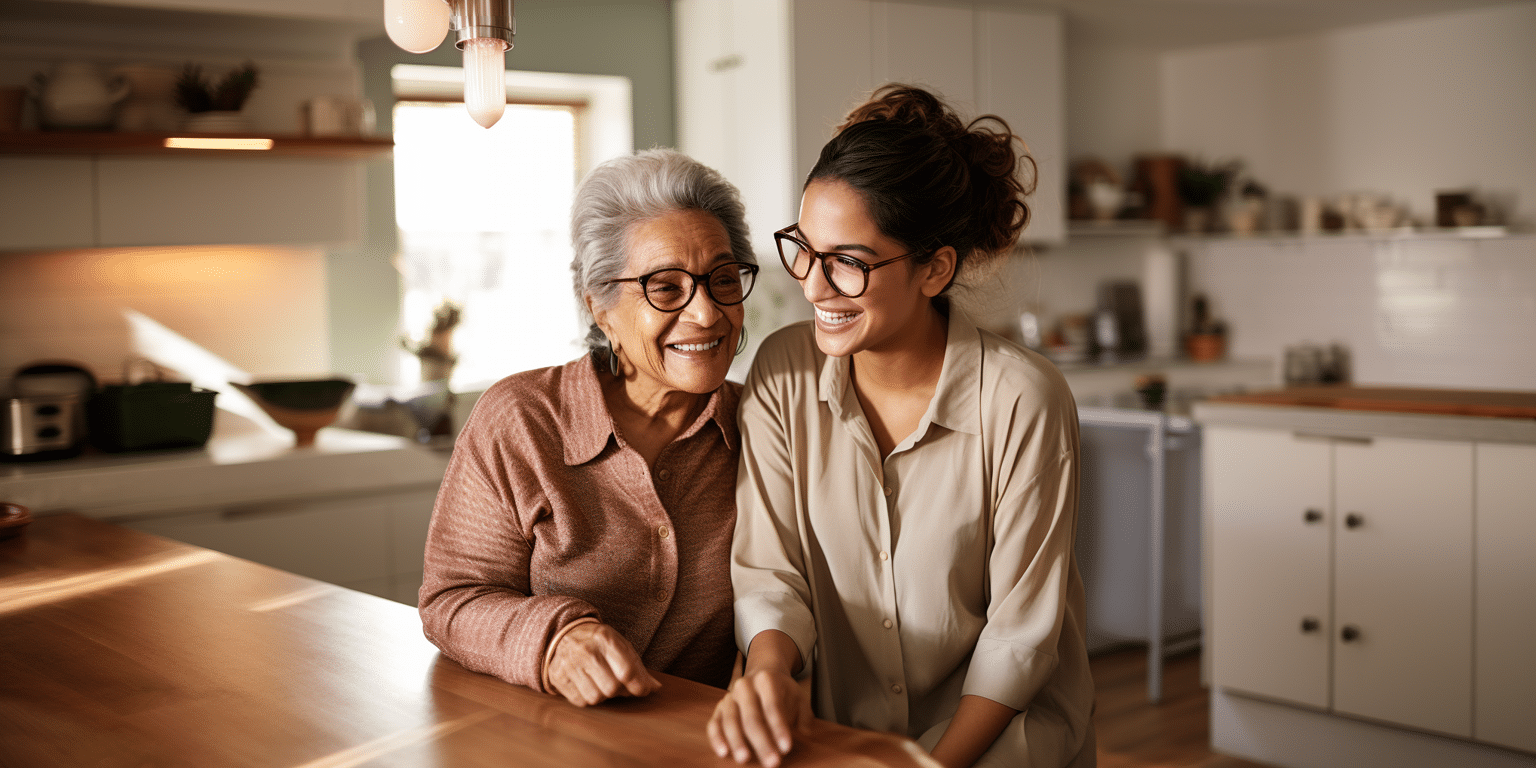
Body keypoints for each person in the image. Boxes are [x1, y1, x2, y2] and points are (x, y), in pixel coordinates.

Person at [707, 85, 1096, 768]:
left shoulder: (1022, 400)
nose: (814, 286)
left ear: (934, 268)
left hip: (1002, 746)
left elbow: (1020, 637)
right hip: (845, 747)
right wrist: (767, 674)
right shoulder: (781, 372)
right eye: (804, 248)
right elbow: (771, 574)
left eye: (849, 263)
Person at [419, 148, 759, 707]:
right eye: (666, 288)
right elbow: (451, 600)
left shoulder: (762, 428)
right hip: (543, 740)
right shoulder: (522, 420)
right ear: (600, 307)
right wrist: (555, 639)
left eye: (723, 279)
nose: (707, 313)